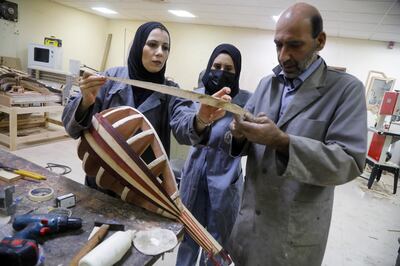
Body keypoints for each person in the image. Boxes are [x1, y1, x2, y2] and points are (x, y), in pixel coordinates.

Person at [227, 3, 367, 266]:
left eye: (294, 45)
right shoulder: (267, 84)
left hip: (293, 235)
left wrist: (282, 142)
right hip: (250, 225)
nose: (283, 56)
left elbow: (349, 161)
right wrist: (238, 134)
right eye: (278, 45)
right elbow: (244, 142)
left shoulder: (346, 91)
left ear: (320, 41)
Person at [62, 21, 229, 190]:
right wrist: (86, 102)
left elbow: (184, 126)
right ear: (138, 46)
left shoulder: (171, 92)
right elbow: (72, 130)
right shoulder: (110, 79)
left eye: (165, 48)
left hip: (144, 187)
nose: (160, 53)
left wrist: (200, 119)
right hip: (102, 180)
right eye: (152, 45)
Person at [176, 44, 251, 266]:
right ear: (208, 67)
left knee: (218, 243)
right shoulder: (195, 97)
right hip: (194, 179)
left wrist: (239, 135)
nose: (221, 72)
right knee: (189, 236)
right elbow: (181, 128)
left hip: (226, 182)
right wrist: (200, 120)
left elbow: (250, 144)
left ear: (237, 73)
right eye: (216, 66)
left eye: (229, 69)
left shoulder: (245, 102)